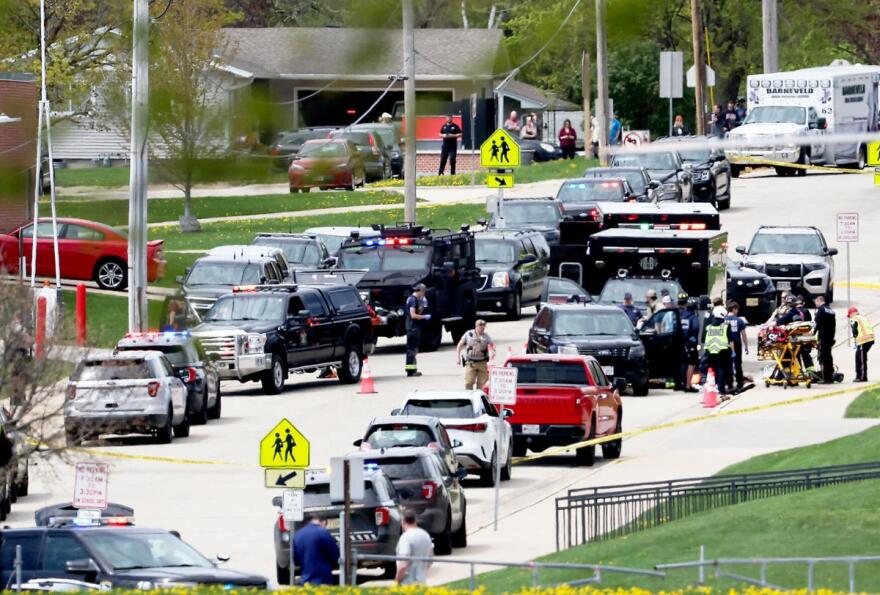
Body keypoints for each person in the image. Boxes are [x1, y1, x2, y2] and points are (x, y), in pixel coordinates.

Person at [293, 516, 340, 586]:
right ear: (323, 522)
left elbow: (295, 560)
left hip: (305, 579)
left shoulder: (297, 535)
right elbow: (335, 555)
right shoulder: (323, 532)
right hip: (324, 578)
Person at [701, 305, 735, 395]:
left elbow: (704, 339)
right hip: (722, 351)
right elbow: (730, 340)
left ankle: (712, 387)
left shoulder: (708, 327)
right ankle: (721, 389)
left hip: (710, 351)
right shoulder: (725, 326)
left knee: (712, 369)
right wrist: (733, 351)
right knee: (722, 370)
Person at [395, 509, 433, 585]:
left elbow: (403, 564)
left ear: (403, 521)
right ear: (415, 520)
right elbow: (430, 560)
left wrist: (397, 580)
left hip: (408, 584)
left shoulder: (405, 537)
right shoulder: (426, 535)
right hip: (422, 583)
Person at [456, 319, 495, 390]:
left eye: (484, 328)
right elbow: (459, 345)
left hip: (482, 362)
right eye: (481, 327)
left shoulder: (486, 336)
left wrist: (492, 353)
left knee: (482, 383)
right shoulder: (468, 334)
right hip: (471, 363)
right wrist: (458, 358)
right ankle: (469, 397)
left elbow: (492, 346)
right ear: (476, 326)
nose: (483, 329)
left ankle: (479, 398)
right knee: (469, 382)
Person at [405, 283, 431, 377]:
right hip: (412, 328)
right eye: (423, 292)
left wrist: (422, 306)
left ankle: (412, 369)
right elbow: (413, 315)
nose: (423, 294)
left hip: (413, 327)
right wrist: (424, 316)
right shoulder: (412, 299)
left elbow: (417, 312)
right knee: (411, 350)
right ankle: (410, 371)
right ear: (421, 291)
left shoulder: (415, 299)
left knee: (414, 349)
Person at [725, 301, 749, 391]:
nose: (737, 311)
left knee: (728, 364)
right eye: (737, 309)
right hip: (737, 344)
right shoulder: (739, 320)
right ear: (734, 309)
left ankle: (729, 383)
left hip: (726, 344)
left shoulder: (724, 320)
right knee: (738, 364)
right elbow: (744, 335)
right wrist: (746, 346)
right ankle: (739, 382)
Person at [679, 295, 700, 392]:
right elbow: (695, 329)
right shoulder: (693, 317)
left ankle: (681, 383)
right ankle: (688, 385)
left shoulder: (681, 315)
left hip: (680, 343)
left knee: (683, 363)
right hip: (690, 343)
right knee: (691, 364)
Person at [814, 295, 836, 383]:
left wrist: (812, 334)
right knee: (828, 355)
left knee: (823, 357)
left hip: (823, 337)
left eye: (815, 302)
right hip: (830, 337)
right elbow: (833, 325)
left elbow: (816, 324)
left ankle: (826, 378)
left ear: (819, 301)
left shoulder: (821, 310)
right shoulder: (831, 310)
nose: (815, 304)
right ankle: (830, 374)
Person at [848, 307, 874, 382]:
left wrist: (855, 338)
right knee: (859, 356)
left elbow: (854, 330)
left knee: (861, 359)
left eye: (849, 315)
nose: (849, 317)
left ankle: (862, 377)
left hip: (863, 340)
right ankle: (859, 375)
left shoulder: (854, 318)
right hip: (870, 339)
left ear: (852, 313)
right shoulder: (863, 318)